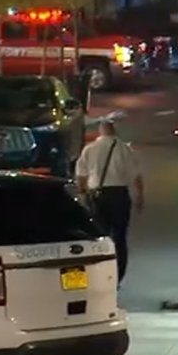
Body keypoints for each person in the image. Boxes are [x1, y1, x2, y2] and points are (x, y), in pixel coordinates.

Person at [75, 120, 144, 283]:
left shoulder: (90, 149)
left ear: (101, 132)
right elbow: (136, 176)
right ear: (115, 132)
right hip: (119, 195)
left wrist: (83, 195)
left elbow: (81, 175)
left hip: (97, 196)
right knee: (119, 237)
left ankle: (100, 273)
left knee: (99, 236)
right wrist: (140, 196)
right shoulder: (125, 149)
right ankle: (118, 276)